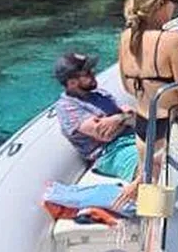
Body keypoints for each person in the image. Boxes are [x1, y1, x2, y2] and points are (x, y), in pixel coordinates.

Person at [116, 0, 178, 201]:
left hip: (143, 128)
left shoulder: (126, 37)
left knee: (152, 198)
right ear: (160, 3)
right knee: (174, 201)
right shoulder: (172, 41)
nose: (175, 5)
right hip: (169, 130)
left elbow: (127, 87)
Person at [53, 52, 138, 180]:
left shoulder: (99, 94)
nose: (93, 73)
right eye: (87, 73)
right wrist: (122, 118)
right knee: (150, 167)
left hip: (133, 136)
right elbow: (104, 134)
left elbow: (133, 114)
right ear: (72, 83)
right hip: (112, 152)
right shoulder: (67, 107)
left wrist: (116, 119)